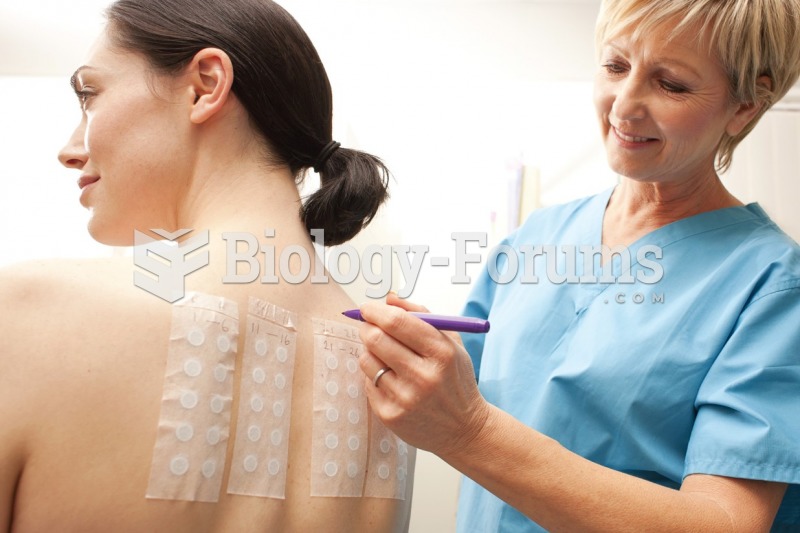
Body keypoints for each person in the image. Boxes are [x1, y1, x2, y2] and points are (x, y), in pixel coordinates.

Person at [356, 0, 800, 531]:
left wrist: (468, 431)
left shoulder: (772, 287)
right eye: (615, 67)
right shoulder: (538, 238)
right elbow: (469, 388)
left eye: (671, 84)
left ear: (747, 104)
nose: (624, 106)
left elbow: (725, 523)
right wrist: (417, 362)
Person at [0, 0, 414, 531]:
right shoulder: (397, 376)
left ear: (205, 85)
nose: (69, 149)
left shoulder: (29, 315)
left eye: (89, 95)